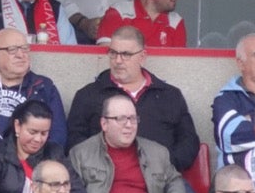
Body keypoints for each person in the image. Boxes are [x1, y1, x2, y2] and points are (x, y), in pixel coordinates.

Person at [68, 27, 199, 173]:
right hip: (103, 181)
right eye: (113, 53)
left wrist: (165, 167)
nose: (118, 61)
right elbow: (74, 143)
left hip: (163, 178)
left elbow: (189, 142)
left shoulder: (170, 95)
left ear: (142, 57)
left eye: (126, 54)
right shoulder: (88, 95)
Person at [0, 29, 69, 151]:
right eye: (12, 50)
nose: (21, 55)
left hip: (28, 163)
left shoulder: (43, 87)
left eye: (25, 48)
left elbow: (58, 135)